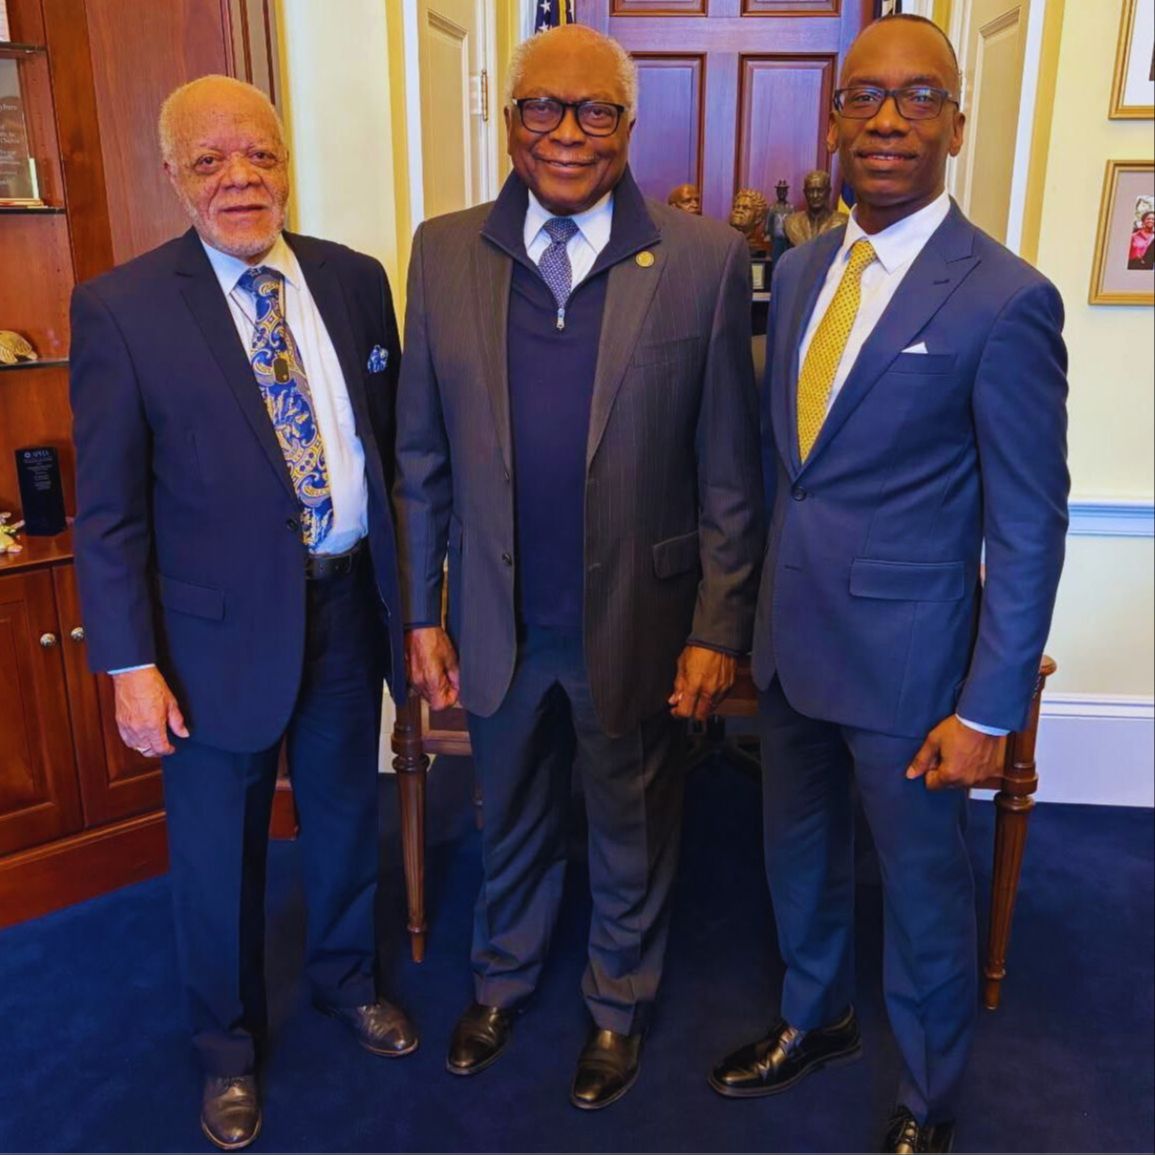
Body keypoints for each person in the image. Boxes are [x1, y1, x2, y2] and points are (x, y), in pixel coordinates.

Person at [709, 15, 1069, 1153]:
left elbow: (1028, 523)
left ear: (957, 125)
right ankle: (816, 1019)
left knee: (921, 898)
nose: (888, 119)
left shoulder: (1007, 299)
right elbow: (789, 474)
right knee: (797, 855)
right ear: (834, 119)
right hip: (791, 646)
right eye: (865, 96)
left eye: (920, 98)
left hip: (913, 671)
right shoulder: (805, 263)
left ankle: (928, 1098)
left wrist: (987, 708)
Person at [393, 24, 763, 1111]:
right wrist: (422, 610)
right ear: (508, 122)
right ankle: (501, 981)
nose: (567, 133)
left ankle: (616, 1003)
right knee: (506, 810)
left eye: (595, 111)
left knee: (632, 819)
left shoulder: (701, 260)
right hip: (498, 617)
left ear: (627, 126)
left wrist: (717, 627)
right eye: (541, 109)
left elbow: (730, 475)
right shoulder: (444, 248)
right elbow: (420, 453)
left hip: (638, 618)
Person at [69, 76, 416, 1151]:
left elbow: (391, 456)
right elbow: (111, 510)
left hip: (348, 604)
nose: (240, 178)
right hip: (209, 638)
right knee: (219, 856)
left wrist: (416, 611)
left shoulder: (356, 282)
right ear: (174, 176)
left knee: (347, 814)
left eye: (259, 154)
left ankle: (345, 979)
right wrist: (128, 661)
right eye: (211, 160)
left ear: (285, 163)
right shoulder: (121, 309)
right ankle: (225, 1051)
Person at [783, 168, 848, 247]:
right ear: (805, 193)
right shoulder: (791, 222)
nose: (815, 195)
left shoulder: (843, 222)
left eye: (820, 190)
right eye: (810, 191)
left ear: (828, 191)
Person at [729, 186, 771, 254]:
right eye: (736, 207)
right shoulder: (725, 245)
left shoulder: (753, 248)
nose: (739, 211)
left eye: (745, 208)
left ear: (758, 218)